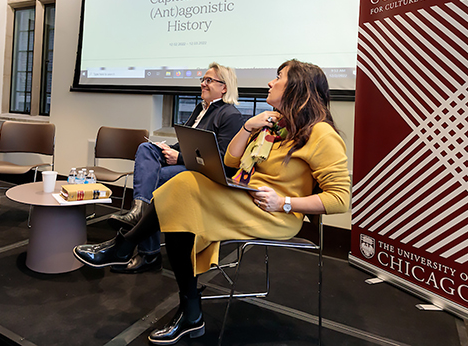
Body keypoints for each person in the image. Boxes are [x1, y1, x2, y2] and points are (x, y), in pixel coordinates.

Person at [73, 59, 351, 345]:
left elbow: (340, 199)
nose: (270, 82)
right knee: (183, 208)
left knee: (183, 185)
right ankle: (189, 314)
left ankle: (126, 247)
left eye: (278, 77)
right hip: (244, 198)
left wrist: (285, 203)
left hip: (274, 214)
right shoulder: (274, 125)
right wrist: (248, 127)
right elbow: (231, 161)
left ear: (297, 88)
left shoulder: (321, 134)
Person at [107, 62, 244, 273]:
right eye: (203, 80)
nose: (203, 84)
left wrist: (179, 158)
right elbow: (186, 144)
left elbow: (223, 161)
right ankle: (139, 210)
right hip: (186, 164)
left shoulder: (229, 115)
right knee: (146, 148)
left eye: (209, 80)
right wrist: (168, 149)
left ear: (224, 87)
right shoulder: (200, 109)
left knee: (157, 178)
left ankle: (149, 253)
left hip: (204, 176)